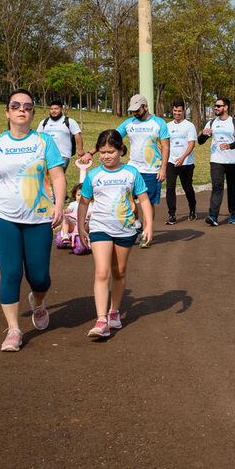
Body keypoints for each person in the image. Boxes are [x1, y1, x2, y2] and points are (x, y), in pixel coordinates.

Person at [0, 89, 66, 352]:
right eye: (16, 105)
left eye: (28, 106)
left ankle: (39, 302)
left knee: (39, 276)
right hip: (3, 218)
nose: (22, 109)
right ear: (7, 111)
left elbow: (57, 176)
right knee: (11, 272)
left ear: (33, 112)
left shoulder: (45, 142)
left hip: (38, 219)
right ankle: (13, 329)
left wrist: (58, 206)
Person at [78, 130, 154, 338]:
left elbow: (144, 200)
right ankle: (101, 319)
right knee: (102, 271)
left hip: (125, 229)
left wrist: (148, 225)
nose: (106, 156)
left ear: (121, 150)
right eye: (102, 152)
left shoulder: (131, 173)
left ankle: (114, 312)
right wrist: (81, 227)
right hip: (100, 228)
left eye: (110, 151)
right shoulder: (94, 175)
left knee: (118, 271)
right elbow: (84, 202)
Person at [79, 94, 168, 241]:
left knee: (148, 202)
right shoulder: (129, 123)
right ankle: (137, 223)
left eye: (137, 110)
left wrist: (163, 168)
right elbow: (109, 139)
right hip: (133, 168)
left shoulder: (159, 123)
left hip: (152, 170)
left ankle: (146, 234)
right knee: (127, 198)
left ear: (146, 107)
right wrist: (90, 153)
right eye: (132, 110)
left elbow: (165, 147)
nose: (134, 113)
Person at [198, 97, 235, 226]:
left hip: (232, 160)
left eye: (218, 106)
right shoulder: (212, 122)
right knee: (217, 186)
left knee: (232, 188)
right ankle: (213, 216)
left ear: (226, 107)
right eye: (215, 106)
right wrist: (203, 134)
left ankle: (233, 214)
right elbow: (200, 142)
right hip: (216, 160)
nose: (216, 108)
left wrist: (230, 146)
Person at [165, 99, 198, 224]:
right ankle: (172, 215)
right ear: (172, 110)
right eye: (175, 110)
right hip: (171, 162)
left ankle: (192, 210)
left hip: (186, 163)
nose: (177, 113)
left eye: (179, 111)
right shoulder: (167, 126)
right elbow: (163, 144)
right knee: (170, 188)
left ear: (183, 111)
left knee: (187, 187)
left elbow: (191, 144)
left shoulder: (189, 126)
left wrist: (182, 158)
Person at [36, 99, 84, 174]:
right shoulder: (44, 122)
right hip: (47, 155)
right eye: (51, 109)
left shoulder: (69, 121)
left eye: (56, 109)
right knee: (49, 178)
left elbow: (78, 135)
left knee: (58, 176)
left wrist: (80, 150)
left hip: (63, 155)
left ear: (61, 109)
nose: (53, 111)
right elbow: (38, 137)